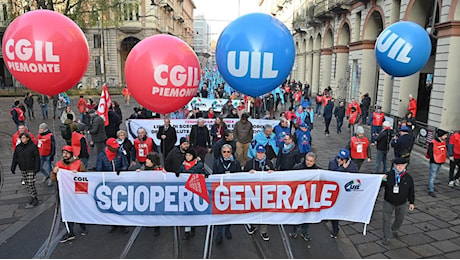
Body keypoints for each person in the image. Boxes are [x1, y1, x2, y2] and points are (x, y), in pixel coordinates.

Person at [50, 145, 87, 243]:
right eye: (63, 153)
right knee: (67, 213)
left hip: (76, 193)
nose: (64, 155)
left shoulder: (79, 163)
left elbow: (85, 177)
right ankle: (70, 232)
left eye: (67, 153)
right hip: (64, 194)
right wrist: (54, 172)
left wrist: (78, 174)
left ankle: (83, 226)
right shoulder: (58, 164)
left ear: (71, 154)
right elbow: (54, 179)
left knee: (78, 211)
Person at [381, 157, 415, 245]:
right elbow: (381, 185)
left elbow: (411, 190)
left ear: (405, 166)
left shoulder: (408, 178)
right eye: (398, 165)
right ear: (394, 165)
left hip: (402, 202)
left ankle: (395, 228)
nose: (400, 167)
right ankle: (386, 236)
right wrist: (382, 179)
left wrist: (412, 202)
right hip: (388, 201)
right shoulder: (388, 175)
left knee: (400, 218)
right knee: (386, 220)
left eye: (402, 166)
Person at [244, 144, 274, 241]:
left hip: (265, 193)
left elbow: (275, 177)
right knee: (253, 209)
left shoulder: (269, 163)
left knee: (264, 211)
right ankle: (253, 225)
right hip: (253, 192)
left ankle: (263, 231)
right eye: (258, 153)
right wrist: (248, 174)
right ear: (255, 152)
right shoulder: (250, 163)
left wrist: (272, 173)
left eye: (262, 153)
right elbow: (243, 176)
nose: (260, 155)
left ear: (264, 153)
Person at [213, 144, 241, 244]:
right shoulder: (217, 163)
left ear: (231, 152)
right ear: (221, 153)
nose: (226, 154)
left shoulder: (236, 163)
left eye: (228, 152)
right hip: (221, 192)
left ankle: (227, 229)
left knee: (229, 211)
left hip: (232, 191)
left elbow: (240, 176)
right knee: (220, 212)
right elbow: (214, 176)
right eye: (224, 152)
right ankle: (219, 233)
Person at [289, 152, 320, 241]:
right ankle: (294, 231)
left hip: (310, 198)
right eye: (307, 160)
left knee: (307, 216)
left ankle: (304, 232)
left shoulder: (318, 171)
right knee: (297, 214)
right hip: (299, 197)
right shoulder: (297, 168)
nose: (308, 162)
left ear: (314, 162)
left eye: (310, 161)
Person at [328, 148, 358, 238]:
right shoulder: (332, 163)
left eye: (342, 159)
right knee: (334, 210)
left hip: (344, 192)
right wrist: (342, 168)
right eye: (338, 158)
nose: (339, 160)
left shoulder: (353, 166)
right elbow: (332, 176)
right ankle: (335, 229)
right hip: (335, 190)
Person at [178, 149, 206, 240]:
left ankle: (192, 226)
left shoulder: (199, 166)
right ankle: (187, 230)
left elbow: (202, 173)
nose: (188, 157)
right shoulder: (182, 166)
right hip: (185, 191)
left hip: (195, 191)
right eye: (186, 155)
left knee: (193, 210)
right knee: (187, 211)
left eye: (189, 155)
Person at [11, 132, 40, 208]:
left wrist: (37, 167)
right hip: (23, 167)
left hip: (31, 167)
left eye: (24, 138)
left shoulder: (33, 146)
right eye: (21, 138)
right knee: (27, 183)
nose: (22, 139)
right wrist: (13, 167)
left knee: (31, 183)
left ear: (27, 138)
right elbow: (15, 158)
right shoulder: (18, 147)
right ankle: (32, 195)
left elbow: (37, 157)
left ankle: (34, 197)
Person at [139, 152, 163, 236]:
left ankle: (156, 226)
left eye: (148, 159)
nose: (146, 161)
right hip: (147, 193)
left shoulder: (159, 170)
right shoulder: (143, 168)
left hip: (155, 194)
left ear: (152, 161)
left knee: (155, 209)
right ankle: (149, 222)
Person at [426, 129, 448, 197]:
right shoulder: (433, 142)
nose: (446, 137)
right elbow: (430, 152)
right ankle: (431, 190)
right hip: (435, 161)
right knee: (432, 175)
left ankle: (430, 186)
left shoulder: (443, 141)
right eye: (445, 135)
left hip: (440, 161)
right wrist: (434, 159)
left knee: (434, 175)